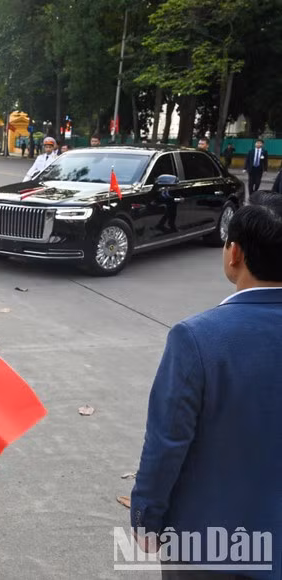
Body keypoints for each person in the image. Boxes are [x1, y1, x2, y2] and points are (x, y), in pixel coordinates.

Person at [132, 192, 282, 577]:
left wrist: (147, 518)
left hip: (209, 542)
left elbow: (167, 442)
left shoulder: (198, 338)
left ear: (235, 254)